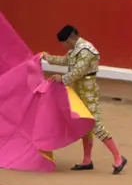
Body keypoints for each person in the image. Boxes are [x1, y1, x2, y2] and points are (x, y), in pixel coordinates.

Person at [41, 25, 127, 174]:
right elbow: (64, 61)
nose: (63, 46)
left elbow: (77, 72)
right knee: (84, 122)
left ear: (69, 39)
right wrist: (47, 57)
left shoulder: (86, 50)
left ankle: (118, 157)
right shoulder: (76, 49)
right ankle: (87, 160)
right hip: (80, 89)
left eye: (63, 43)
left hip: (88, 90)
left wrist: (62, 79)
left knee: (94, 124)